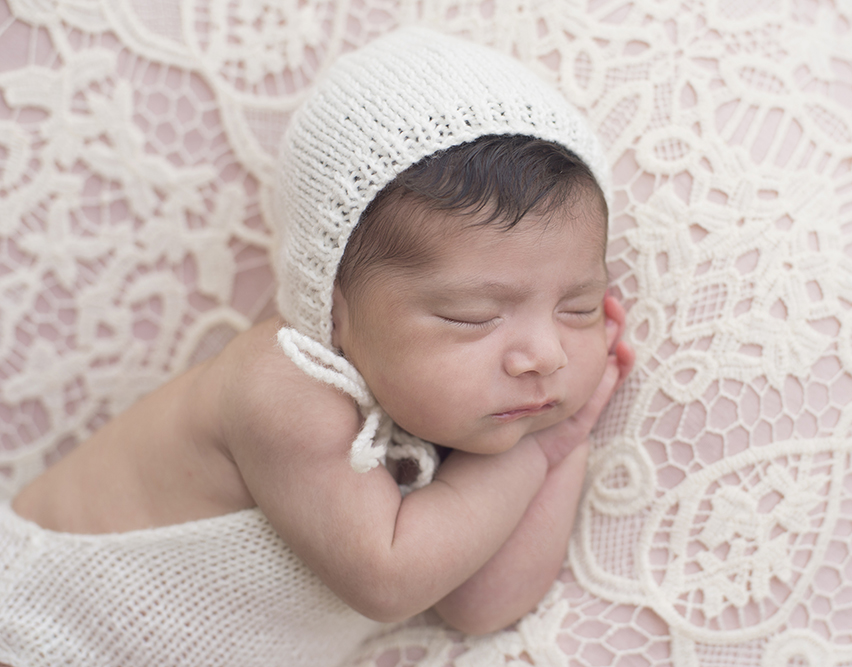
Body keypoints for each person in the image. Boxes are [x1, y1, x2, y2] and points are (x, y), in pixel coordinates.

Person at [0, 27, 634, 667]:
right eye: (472, 317)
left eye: (577, 309)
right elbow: (393, 579)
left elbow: (482, 605)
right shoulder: (282, 386)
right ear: (332, 308)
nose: (544, 354)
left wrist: (559, 443)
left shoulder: (440, 399)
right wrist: (533, 456)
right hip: (42, 631)